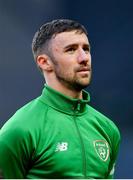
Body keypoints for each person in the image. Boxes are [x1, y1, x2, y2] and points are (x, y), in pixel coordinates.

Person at [0, 19, 120, 179]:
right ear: (45, 62)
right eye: (71, 50)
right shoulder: (19, 131)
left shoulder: (107, 129)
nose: (84, 58)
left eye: (86, 49)